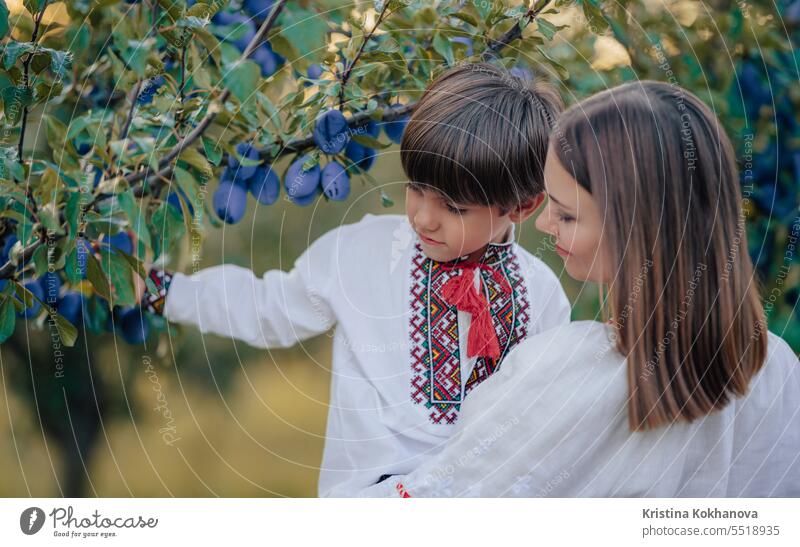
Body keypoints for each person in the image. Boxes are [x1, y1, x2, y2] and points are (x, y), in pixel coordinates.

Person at [142, 63, 571, 496]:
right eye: (416, 188)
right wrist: (166, 291)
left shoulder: (542, 296)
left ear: (522, 207)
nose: (424, 217)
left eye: (454, 208)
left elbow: (539, 425)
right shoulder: (360, 253)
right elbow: (268, 308)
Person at [362, 81, 800, 497]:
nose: (542, 223)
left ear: (638, 229)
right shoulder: (777, 370)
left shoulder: (561, 375)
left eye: (566, 215)